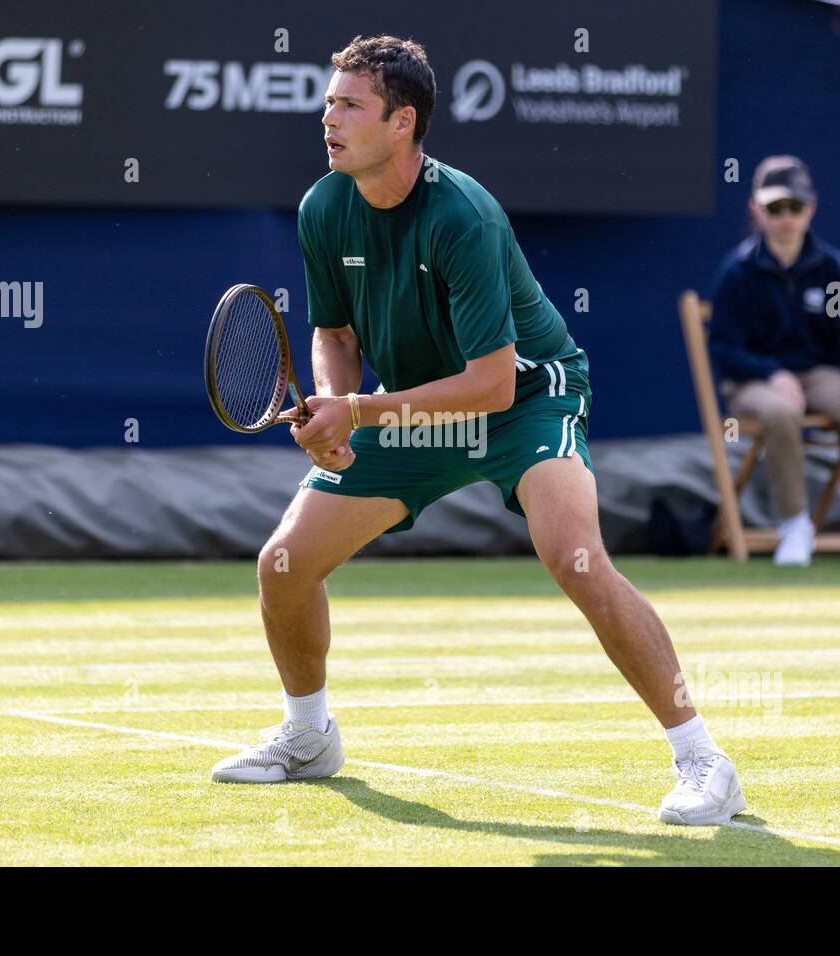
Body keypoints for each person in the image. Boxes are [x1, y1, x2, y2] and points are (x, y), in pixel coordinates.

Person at [210, 35, 746, 825]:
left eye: (349, 104)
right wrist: (331, 408)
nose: (328, 117)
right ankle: (307, 734)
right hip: (416, 406)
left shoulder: (464, 216)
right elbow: (337, 335)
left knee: (575, 556)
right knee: (284, 567)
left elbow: (492, 384)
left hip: (525, 401)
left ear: (402, 123)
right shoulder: (324, 206)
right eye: (329, 102)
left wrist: (355, 412)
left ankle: (703, 760)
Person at [708, 155, 840, 568]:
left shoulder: (831, 266)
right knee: (781, 411)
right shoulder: (737, 272)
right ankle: (794, 524)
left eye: (795, 206)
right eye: (775, 207)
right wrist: (771, 372)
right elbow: (723, 349)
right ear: (756, 209)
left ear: (811, 207)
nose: (786, 217)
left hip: (818, 376)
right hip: (753, 380)